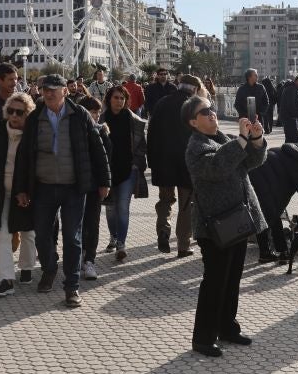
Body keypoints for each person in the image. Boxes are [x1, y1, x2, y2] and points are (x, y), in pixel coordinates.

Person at [13, 74, 110, 307]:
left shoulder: (80, 115)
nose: (48, 94)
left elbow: (97, 149)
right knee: (42, 235)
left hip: (73, 188)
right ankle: (49, 268)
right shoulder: (35, 117)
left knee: (72, 237)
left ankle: (72, 286)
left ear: (65, 91)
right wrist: (21, 188)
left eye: (53, 90)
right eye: (45, 90)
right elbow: (23, 155)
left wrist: (104, 181)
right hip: (43, 187)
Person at [183, 95, 267, 357]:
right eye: (205, 111)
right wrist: (241, 140)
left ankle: (227, 327)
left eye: (212, 109)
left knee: (232, 279)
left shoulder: (224, 139)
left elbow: (252, 161)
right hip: (215, 226)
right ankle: (203, 338)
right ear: (193, 122)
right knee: (215, 281)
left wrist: (256, 139)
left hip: (238, 218)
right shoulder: (196, 147)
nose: (212, 113)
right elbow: (217, 167)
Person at [0, 92, 37, 296]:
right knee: (2, 233)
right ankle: (6, 279)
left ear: (27, 114)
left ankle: (27, 267)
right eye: (10, 111)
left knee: (28, 232)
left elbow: (36, 167)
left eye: (19, 112)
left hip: (25, 192)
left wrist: (27, 190)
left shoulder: (33, 136)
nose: (14, 116)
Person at [147, 75, 207, 256]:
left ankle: (163, 231)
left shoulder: (162, 103)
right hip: (186, 163)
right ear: (195, 89)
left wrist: (152, 161)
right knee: (186, 204)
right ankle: (183, 245)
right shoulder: (195, 106)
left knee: (165, 200)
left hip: (163, 161)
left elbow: (151, 132)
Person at [249, 143, 298, 264]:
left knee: (262, 214)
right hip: (264, 183)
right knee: (273, 214)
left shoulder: (289, 154)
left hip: (253, 176)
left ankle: (265, 253)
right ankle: (283, 252)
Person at [101, 85, 147, 260]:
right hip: (107, 170)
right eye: (116, 97)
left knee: (122, 207)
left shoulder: (134, 121)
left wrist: (137, 164)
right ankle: (113, 236)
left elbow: (142, 145)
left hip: (128, 170)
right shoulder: (101, 120)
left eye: (122, 98)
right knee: (110, 208)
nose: (119, 101)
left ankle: (121, 244)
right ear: (109, 99)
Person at [77, 96, 106, 280]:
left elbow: (106, 161)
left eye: (97, 112)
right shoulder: (73, 131)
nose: (96, 115)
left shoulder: (102, 132)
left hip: (95, 186)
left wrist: (105, 183)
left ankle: (89, 260)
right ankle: (78, 256)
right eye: (92, 112)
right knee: (76, 224)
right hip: (76, 186)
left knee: (92, 223)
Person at [279, 75, 298, 143]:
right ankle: (289, 150)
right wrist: (295, 115)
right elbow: (290, 105)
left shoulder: (293, 89)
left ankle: (288, 149)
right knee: (294, 139)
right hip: (290, 118)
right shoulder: (291, 89)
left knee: (291, 138)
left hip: (291, 118)